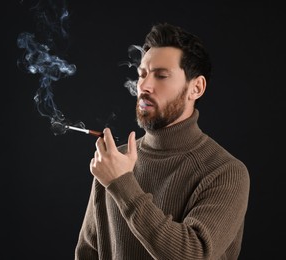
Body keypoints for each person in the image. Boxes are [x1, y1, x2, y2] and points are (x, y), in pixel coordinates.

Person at [75, 22, 250, 260]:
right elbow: (88, 253)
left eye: (161, 76)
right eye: (142, 75)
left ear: (196, 88)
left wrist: (122, 184)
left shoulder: (225, 171)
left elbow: (192, 255)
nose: (144, 86)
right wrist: (116, 178)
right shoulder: (114, 162)